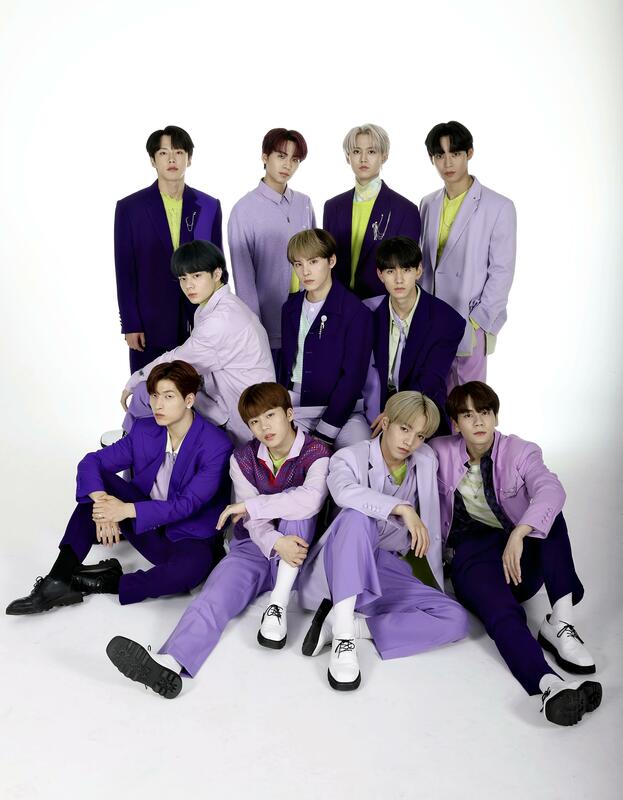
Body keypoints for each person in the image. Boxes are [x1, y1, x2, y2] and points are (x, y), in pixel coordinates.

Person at [105, 383, 331, 698]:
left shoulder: (317, 453)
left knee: (298, 512)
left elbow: (310, 500)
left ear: (289, 414)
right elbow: (251, 521)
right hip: (253, 547)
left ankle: (277, 607)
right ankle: (171, 661)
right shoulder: (243, 458)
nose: (264, 427)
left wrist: (251, 507)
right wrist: (273, 540)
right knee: (212, 598)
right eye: (254, 421)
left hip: (302, 556)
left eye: (270, 416)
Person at [430, 382, 601, 726]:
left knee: (551, 518)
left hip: (516, 557)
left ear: (495, 416)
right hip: (471, 556)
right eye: (468, 415)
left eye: (485, 412)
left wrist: (521, 531)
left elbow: (550, 489)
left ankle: (560, 623)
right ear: (455, 423)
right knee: (502, 614)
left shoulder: (520, 451)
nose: (479, 421)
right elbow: (401, 453)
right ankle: (549, 685)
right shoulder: (438, 452)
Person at [6, 362, 232, 615]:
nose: (158, 405)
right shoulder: (145, 430)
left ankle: (103, 581)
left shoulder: (216, 444)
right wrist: (104, 503)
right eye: (154, 395)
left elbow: (186, 505)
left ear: (189, 400)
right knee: (96, 488)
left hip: (188, 534)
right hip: (145, 523)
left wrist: (123, 510)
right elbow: (91, 462)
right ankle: (57, 579)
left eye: (168, 397)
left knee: (188, 574)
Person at [298, 392, 468, 691]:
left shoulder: (425, 460)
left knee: (455, 618)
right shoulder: (349, 457)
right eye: (405, 429)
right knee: (356, 516)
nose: (410, 442)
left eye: (420, 436)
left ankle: (348, 625)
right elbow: (343, 491)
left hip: (387, 567)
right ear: (385, 422)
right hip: (341, 564)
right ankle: (343, 641)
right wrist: (401, 508)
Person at [121, 240, 275, 445]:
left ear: (217, 274)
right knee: (158, 394)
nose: (189, 285)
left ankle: (128, 446)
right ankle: (138, 447)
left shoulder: (221, 319)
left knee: (144, 391)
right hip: (225, 401)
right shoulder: (219, 306)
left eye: (196, 276)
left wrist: (134, 380)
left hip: (239, 417)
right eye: (183, 278)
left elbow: (177, 361)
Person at [114, 125, 222, 372]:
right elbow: (125, 270)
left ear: (189, 159)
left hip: (199, 320)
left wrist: (220, 319)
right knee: (150, 388)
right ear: (153, 160)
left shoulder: (209, 205)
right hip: (150, 321)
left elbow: (218, 268)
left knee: (199, 388)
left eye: (179, 152)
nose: (172, 159)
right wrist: (131, 323)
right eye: (163, 153)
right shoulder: (130, 208)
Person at [419, 121, 516, 391]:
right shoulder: (427, 204)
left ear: (469, 153)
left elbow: (502, 271)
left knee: (469, 400)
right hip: (432, 320)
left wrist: (479, 321)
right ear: (431, 159)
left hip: (468, 319)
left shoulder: (498, 206)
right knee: (433, 397)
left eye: (455, 153)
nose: (448, 162)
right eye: (440, 155)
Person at [228, 128, 315, 364]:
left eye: (295, 159)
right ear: (265, 157)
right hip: (268, 324)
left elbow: (317, 258)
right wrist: (254, 330)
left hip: (307, 317)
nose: (288, 165)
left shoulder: (304, 203)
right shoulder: (243, 210)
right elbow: (244, 279)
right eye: (281, 156)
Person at [279, 229, 373, 448]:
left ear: (331, 261)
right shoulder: (290, 308)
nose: (305, 272)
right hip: (297, 407)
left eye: (313, 262)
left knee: (360, 451)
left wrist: (325, 431)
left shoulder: (356, 311)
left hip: (345, 411)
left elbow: (353, 377)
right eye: (298, 264)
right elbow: (286, 363)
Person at [362, 236, 465, 436]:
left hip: (421, 407)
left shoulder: (447, 321)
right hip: (373, 407)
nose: (399, 279)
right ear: (380, 275)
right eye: (390, 271)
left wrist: (394, 414)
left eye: (406, 270)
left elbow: (431, 379)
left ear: (419, 271)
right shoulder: (366, 313)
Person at [323, 124, 421, 299]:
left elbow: (408, 270)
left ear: (384, 156)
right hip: (338, 302)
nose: (363, 159)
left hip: (384, 304)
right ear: (347, 157)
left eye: (371, 151)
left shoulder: (405, 210)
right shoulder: (332, 207)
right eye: (356, 151)